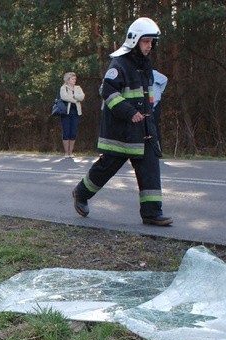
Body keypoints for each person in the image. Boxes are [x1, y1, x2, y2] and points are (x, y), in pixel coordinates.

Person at [72, 17, 172, 226]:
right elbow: (107, 91)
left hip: (144, 131)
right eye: (146, 41)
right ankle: (80, 193)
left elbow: (147, 98)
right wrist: (128, 112)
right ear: (135, 40)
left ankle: (152, 213)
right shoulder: (119, 64)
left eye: (152, 42)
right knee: (106, 168)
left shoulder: (145, 65)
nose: (149, 46)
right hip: (121, 131)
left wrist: (151, 122)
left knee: (150, 168)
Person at [59, 72, 85, 158]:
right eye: (72, 79)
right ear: (68, 80)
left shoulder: (78, 88)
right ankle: (66, 152)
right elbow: (64, 97)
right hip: (66, 113)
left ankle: (71, 152)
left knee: (73, 132)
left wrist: (74, 97)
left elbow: (82, 97)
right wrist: (75, 99)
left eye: (75, 79)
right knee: (66, 132)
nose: (74, 80)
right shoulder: (63, 88)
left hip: (76, 113)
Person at [152, 70, 168, 153]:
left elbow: (164, 79)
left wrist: (159, 92)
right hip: (145, 105)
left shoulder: (153, 73)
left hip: (155, 104)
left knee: (154, 127)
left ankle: (158, 150)